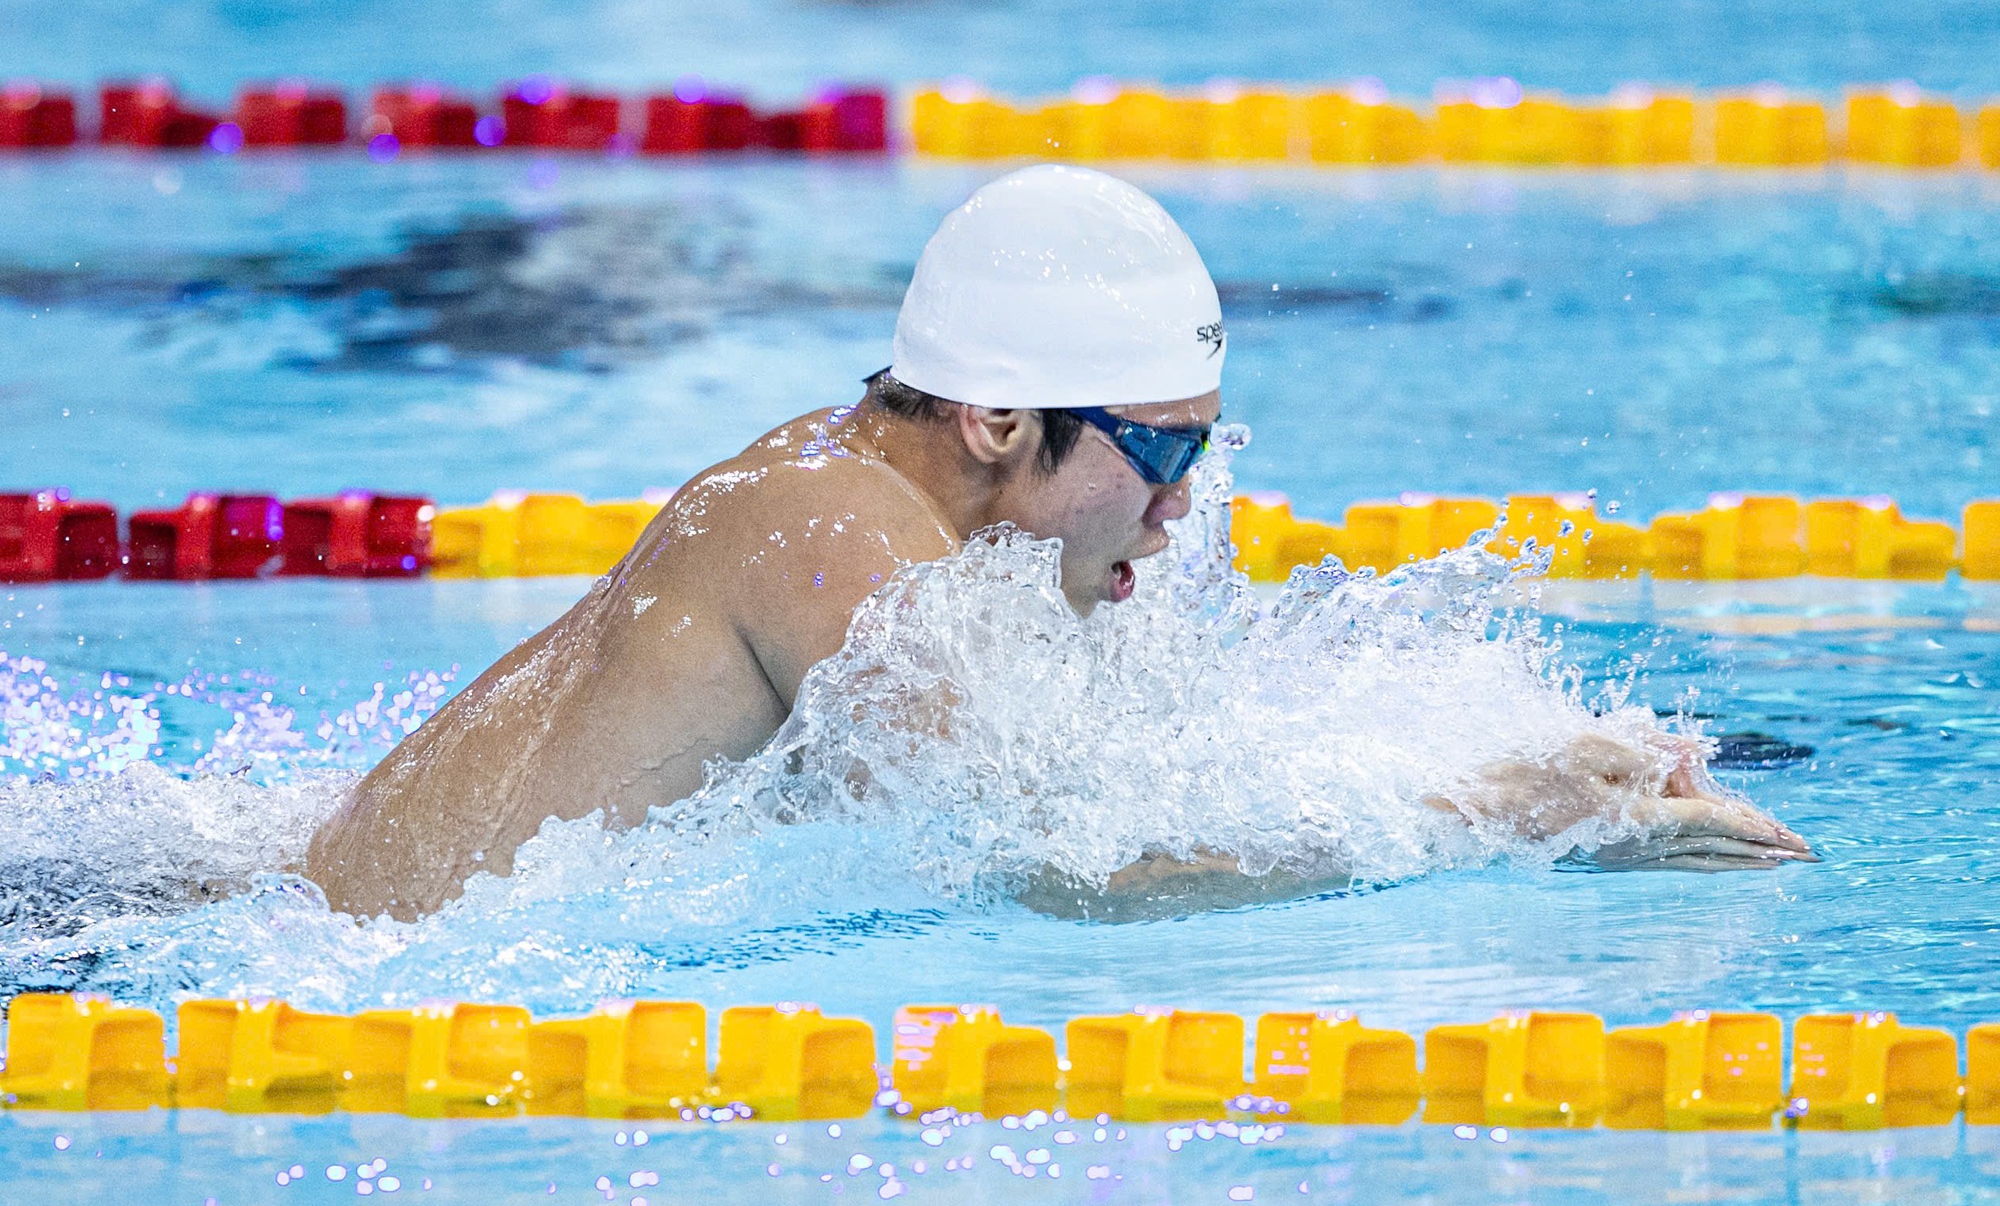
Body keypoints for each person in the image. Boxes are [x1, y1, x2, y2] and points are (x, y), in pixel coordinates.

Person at [304, 165, 1812, 921]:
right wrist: (1497, 816)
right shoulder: (835, 539)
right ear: (996, 420)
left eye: (1199, 449)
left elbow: (1136, 775)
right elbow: (1069, 870)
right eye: (1157, 451)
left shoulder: (888, 506)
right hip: (351, 975)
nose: (1178, 504)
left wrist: (1526, 747)